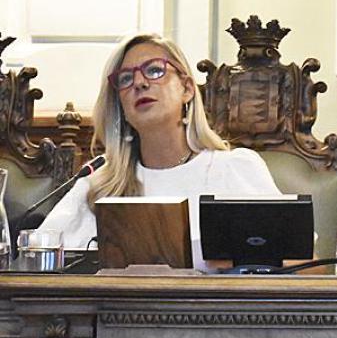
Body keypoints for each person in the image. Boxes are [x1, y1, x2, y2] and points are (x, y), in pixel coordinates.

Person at [38, 33, 282, 272]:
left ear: (186, 88)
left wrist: (245, 260)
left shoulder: (233, 169)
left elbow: (306, 268)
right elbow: (39, 264)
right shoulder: (101, 186)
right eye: (125, 79)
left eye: (154, 70)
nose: (140, 83)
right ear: (120, 107)